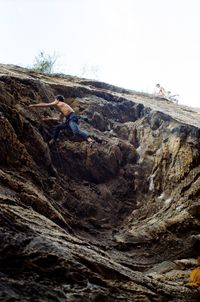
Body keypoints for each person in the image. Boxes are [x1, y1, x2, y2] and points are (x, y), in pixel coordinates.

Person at [29, 95, 94, 145]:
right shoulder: (63, 108)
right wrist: (49, 119)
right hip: (69, 119)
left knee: (76, 131)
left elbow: (46, 105)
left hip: (72, 117)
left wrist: (33, 105)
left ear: (57, 99)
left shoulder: (58, 102)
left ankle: (90, 140)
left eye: (55, 99)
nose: (54, 101)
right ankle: (54, 139)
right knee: (58, 127)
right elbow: (60, 119)